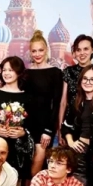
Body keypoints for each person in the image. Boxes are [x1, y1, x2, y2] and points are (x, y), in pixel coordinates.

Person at [0, 56, 34, 182]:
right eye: (4, 70)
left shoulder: (27, 97)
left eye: (11, 70)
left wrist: (23, 132)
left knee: (16, 180)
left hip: (19, 147)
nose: (6, 73)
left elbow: (33, 123)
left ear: (19, 72)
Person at [24, 30, 63, 177]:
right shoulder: (25, 73)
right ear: (30, 52)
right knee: (24, 168)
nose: (37, 54)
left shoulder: (55, 73)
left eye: (40, 50)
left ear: (46, 50)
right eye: (34, 51)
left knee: (36, 169)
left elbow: (57, 103)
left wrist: (48, 130)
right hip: (26, 125)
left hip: (44, 127)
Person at [58, 34, 93, 140]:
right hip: (71, 125)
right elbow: (63, 102)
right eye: (78, 50)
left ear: (92, 50)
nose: (82, 53)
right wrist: (60, 129)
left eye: (86, 49)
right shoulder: (68, 72)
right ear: (74, 52)